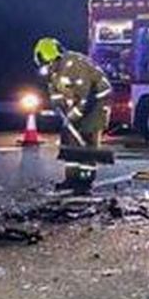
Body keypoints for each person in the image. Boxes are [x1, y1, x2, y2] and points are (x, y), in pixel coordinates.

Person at [34, 36, 113, 195]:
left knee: (87, 139)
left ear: (53, 58)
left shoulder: (75, 64)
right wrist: (61, 112)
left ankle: (85, 181)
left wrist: (74, 116)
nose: (47, 70)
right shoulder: (54, 71)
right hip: (79, 104)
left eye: (48, 65)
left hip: (96, 103)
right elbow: (55, 95)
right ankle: (71, 179)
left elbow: (87, 96)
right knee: (70, 140)